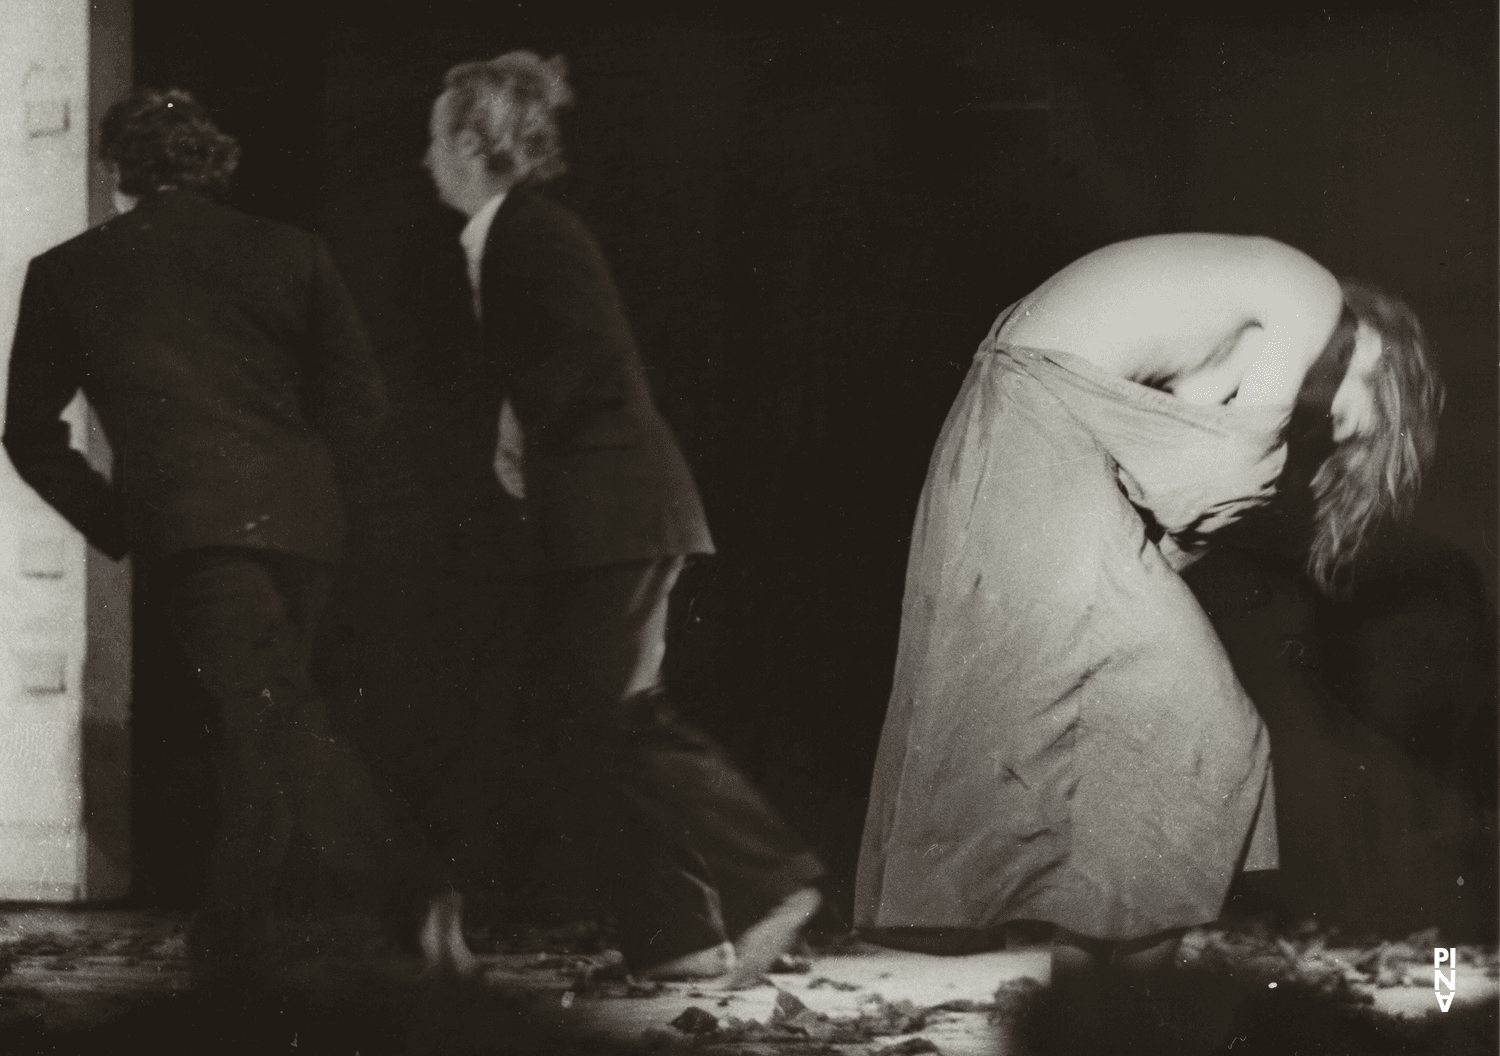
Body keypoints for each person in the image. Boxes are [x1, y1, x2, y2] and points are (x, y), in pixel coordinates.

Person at [854, 233, 1443, 976]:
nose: (1334, 419)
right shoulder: (1311, 297)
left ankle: (1094, 997)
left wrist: (1162, 557)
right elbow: (1238, 448)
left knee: (1138, 746)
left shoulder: (1241, 323)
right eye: (1368, 405)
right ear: (1383, 352)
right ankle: (1120, 1005)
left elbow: (1187, 474)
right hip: (1039, 418)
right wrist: (1191, 536)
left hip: (1031, 416)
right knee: (1203, 732)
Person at [3, 89, 474, 983]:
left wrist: (118, 519)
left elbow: (27, 432)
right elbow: (361, 404)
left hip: (192, 529)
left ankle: (410, 890)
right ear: (210, 162)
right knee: (267, 714)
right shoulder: (291, 252)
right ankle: (232, 934)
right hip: (302, 522)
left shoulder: (70, 270)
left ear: (116, 173)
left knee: (272, 711)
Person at [422, 51, 824, 985]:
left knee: (616, 719)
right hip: (606, 515)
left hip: (618, 513)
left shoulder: (532, 230)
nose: (424, 158)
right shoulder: (504, 234)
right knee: (587, 726)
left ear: (475, 144)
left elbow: (585, 362)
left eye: (435, 137)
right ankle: (679, 938)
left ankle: (773, 880)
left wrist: (520, 431)